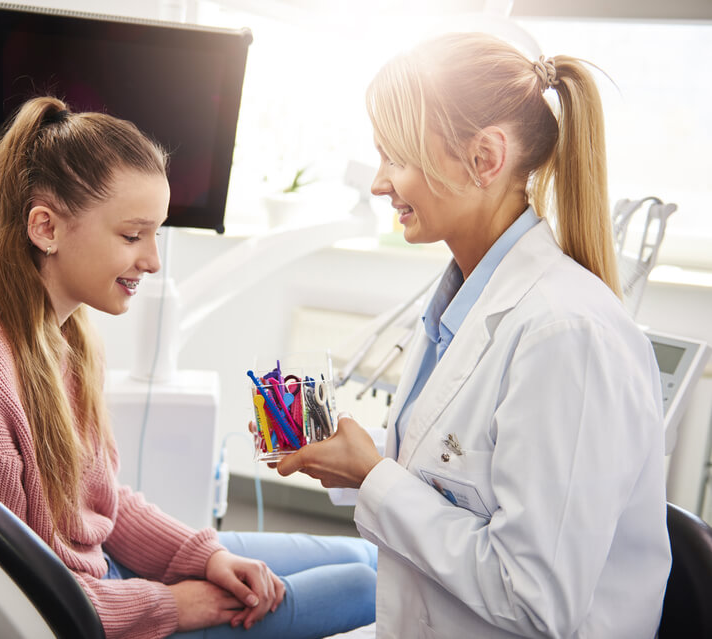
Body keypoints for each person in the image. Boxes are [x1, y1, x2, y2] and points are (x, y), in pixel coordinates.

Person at [0, 96, 376, 639]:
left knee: (370, 560)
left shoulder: (65, 334)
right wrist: (171, 606)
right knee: (364, 587)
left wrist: (205, 556)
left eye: (156, 233)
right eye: (131, 235)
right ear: (45, 228)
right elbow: (7, 596)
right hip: (80, 618)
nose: (153, 260)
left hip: (105, 586)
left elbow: (103, 503)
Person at [277, 32, 671, 638]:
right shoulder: (461, 308)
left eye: (397, 158)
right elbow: (460, 492)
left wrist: (375, 478)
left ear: (485, 159)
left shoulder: (567, 335)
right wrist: (359, 467)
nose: (380, 183)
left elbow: (537, 601)